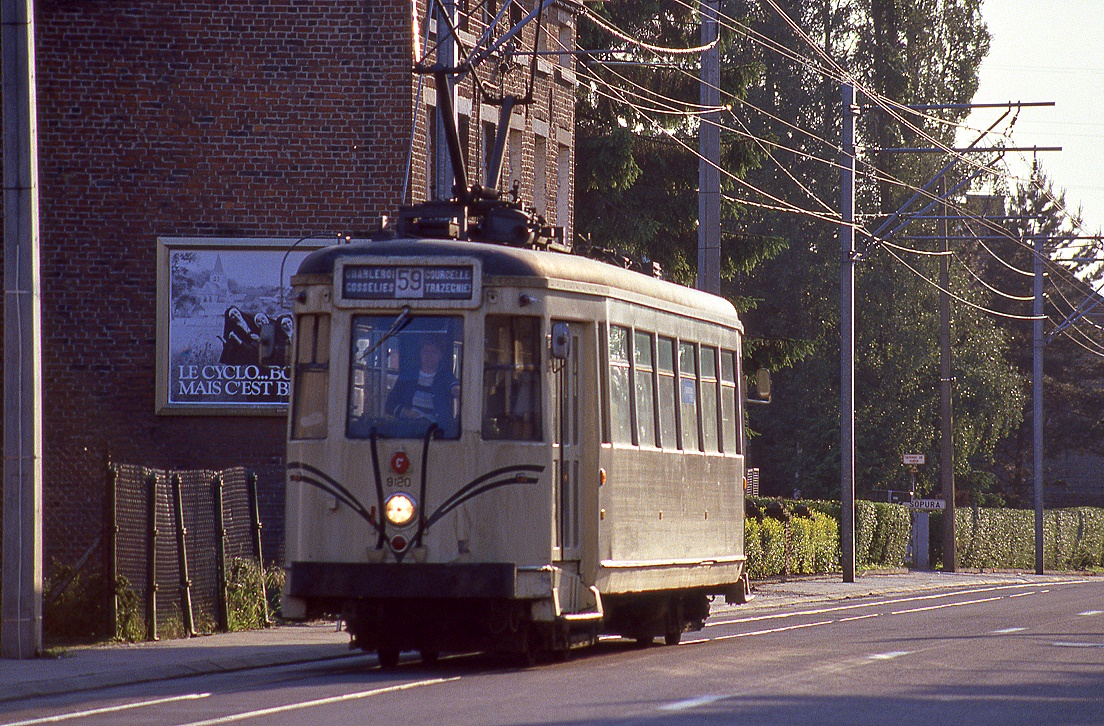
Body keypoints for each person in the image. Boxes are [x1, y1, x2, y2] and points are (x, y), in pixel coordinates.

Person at [385, 338, 460, 435]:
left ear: (440, 356)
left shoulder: (445, 377)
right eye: (426, 351)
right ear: (420, 354)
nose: (429, 356)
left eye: (433, 352)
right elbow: (390, 405)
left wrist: (457, 391)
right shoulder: (408, 377)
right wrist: (406, 412)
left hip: (438, 434)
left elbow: (455, 388)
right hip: (408, 433)